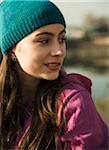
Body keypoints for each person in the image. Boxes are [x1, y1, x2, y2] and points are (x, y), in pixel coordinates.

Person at [0, 0, 108, 149]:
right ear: (12, 50)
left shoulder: (72, 104)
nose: (59, 51)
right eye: (44, 41)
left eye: (62, 39)